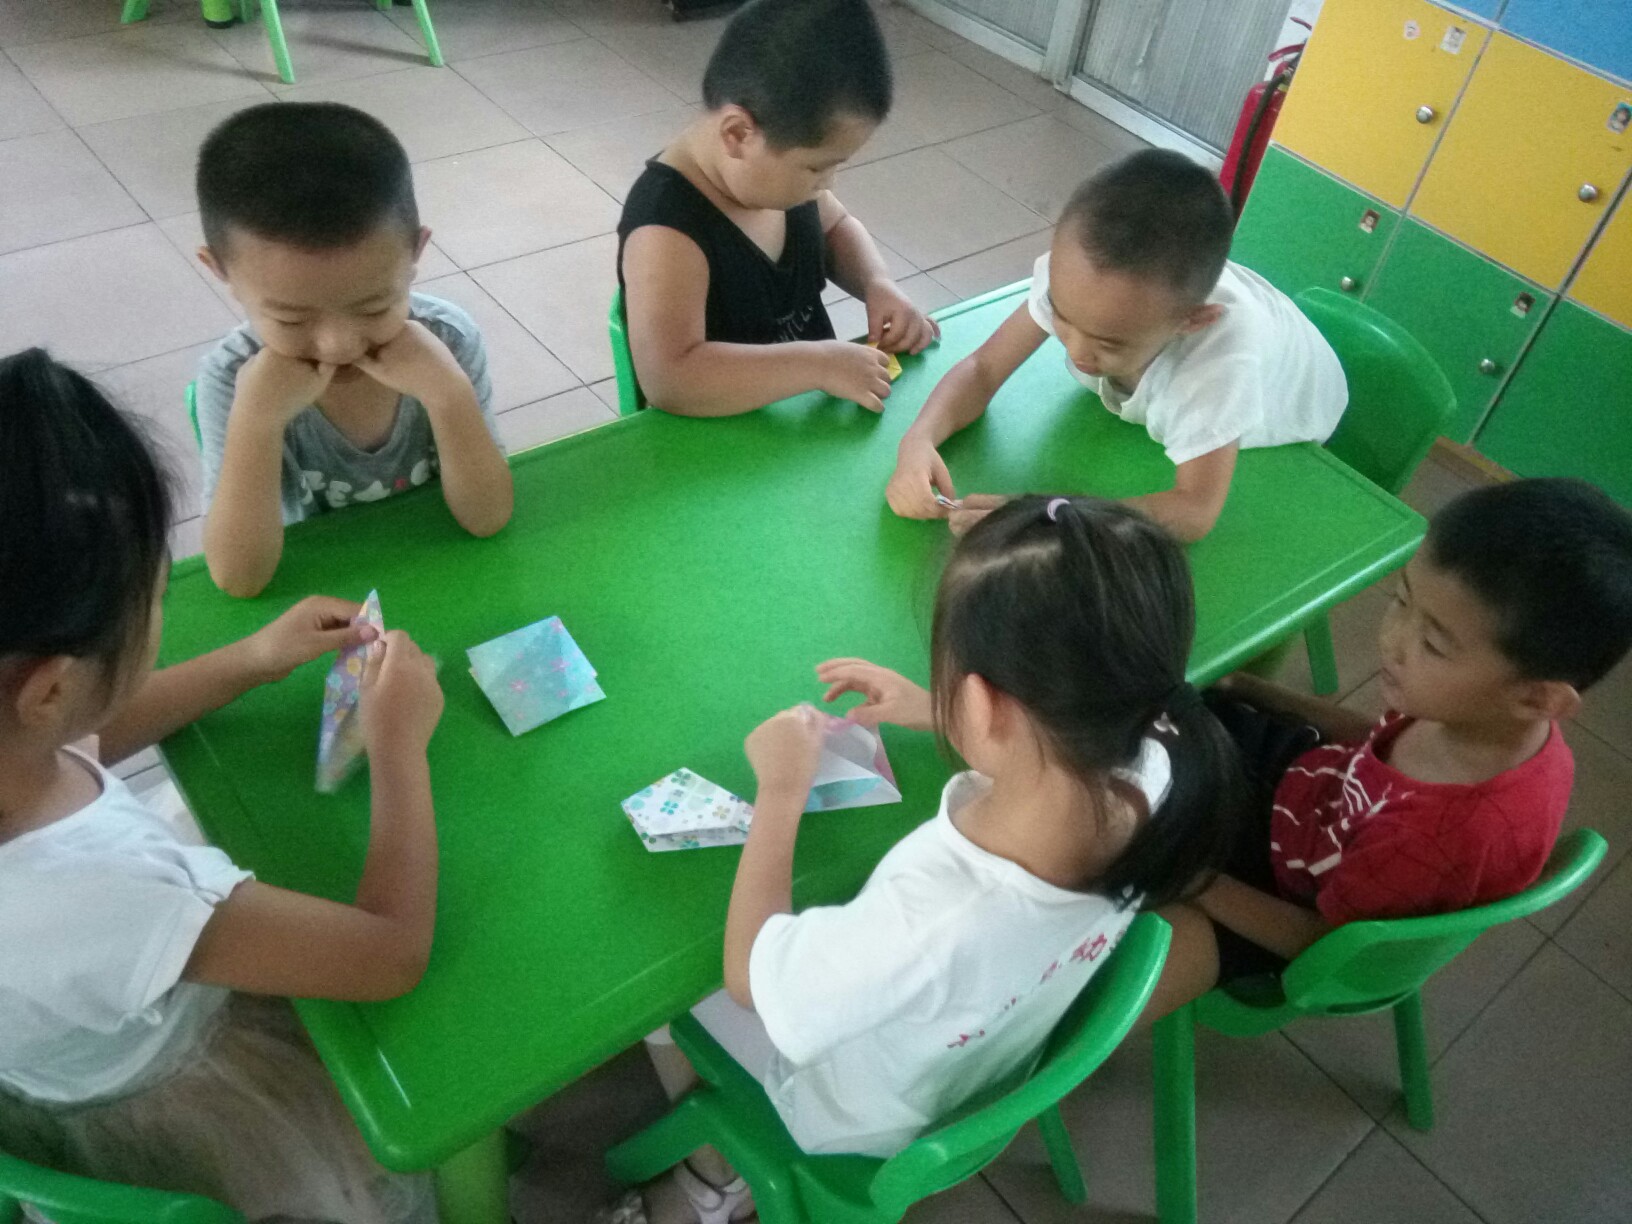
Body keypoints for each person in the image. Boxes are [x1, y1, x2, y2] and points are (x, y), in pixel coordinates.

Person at [609, 496, 1244, 1224]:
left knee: (653, 983)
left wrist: (781, 788)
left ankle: (716, 1171)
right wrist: (944, 712)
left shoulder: (936, 910)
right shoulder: (1157, 773)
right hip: (986, 1071)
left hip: (849, 1121)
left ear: (987, 705)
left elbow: (751, 980)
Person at [0, 348, 445, 1222]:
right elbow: (390, 955)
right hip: (184, 1095)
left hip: (61, 1049)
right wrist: (399, 747)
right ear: (50, 687)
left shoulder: (18, 754)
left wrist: (250, 659)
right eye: (155, 599)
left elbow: (81, 737)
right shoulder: (108, 897)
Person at [1142, 478, 1632, 1019]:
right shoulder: (1484, 719)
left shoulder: (1439, 838)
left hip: (1286, 897)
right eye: (1401, 599)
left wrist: (1197, 881)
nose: (1392, 639)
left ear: (1538, 698)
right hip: (1309, 794)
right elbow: (1375, 743)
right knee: (1159, 708)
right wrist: (1250, 687)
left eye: (1433, 643)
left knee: (1119, 817)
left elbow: (1321, 940)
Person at [888, 149, 1347, 541]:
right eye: (1062, 318)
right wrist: (918, 438)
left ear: (1190, 322)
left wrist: (1050, 517)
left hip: (1292, 415)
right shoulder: (1081, 279)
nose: (1077, 353)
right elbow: (984, 368)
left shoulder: (1218, 366)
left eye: (1109, 343)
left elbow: (1195, 510)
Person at [194, 102, 513, 598]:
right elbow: (239, 579)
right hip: (327, 599)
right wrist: (256, 422)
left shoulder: (448, 340)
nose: (339, 345)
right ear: (220, 271)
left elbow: (489, 518)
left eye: (373, 307)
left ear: (415, 252)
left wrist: (449, 395)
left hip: (448, 574)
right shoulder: (233, 377)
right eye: (292, 319)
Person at [616, 0, 939, 418]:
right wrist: (818, 364)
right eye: (816, 167)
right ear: (738, 134)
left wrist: (877, 283)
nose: (827, 183)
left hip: (799, 413)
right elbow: (671, 378)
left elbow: (836, 227)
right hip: (717, 435)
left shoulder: (781, 185)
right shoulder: (666, 229)